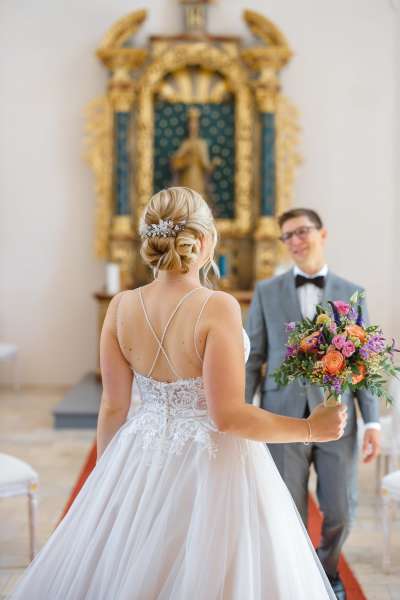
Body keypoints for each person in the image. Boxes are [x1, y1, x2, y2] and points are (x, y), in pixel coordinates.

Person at [11, 189, 346, 600]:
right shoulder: (217, 306)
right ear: (203, 241)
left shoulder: (121, 306)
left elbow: (113, 407)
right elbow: (228, 417)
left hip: (140, 455)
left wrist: (107, 484)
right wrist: (311, 429)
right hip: (213, 465)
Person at [245, 208, 381, 600]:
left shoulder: (352, 292)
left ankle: (328, 570)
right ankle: (299, 580)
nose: (295, 241)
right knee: (288, 509)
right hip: (281, 417)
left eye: (301, 231)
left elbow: (365, 363)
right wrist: (243, 414)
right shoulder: (266, 292)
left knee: (341, 510)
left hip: (338, 417)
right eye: (287, 236)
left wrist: (372, 422)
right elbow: (253, 359)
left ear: (323, 234)